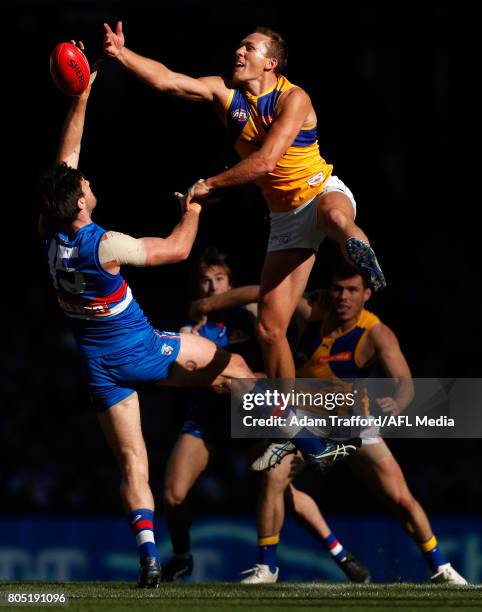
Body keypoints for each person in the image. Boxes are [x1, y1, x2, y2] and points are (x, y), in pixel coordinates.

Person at [38, 54, 261, 589]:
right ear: (83, 205)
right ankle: (309, 440)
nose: (87, 181)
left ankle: (149, 557)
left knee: (134, 465)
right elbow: (178, 252)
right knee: (235, 367)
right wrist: (195, 208)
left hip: (98, 368)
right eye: (85, 185)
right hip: (140, 349)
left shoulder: (49, 232)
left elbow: (66, 159)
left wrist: (81, 96)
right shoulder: (105, 245)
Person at [102, 23, 386, 388]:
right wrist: (122, 54)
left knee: (334, 216)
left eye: (250, 48)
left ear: (271, 63)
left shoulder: (293, 98)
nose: (239, 52)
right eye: (239, 46)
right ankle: (288, 422)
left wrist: (209, 182)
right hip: (284, 217)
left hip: (318, 190)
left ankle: (363, 257)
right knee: (270, 329)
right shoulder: (226, 94)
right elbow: (168, 80)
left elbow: (266, 161)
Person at [242, 265, 467, 585]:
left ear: (366, 294)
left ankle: (441, 568)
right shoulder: (312, 313)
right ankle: (266, 568)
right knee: (273, 475)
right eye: (338, 289)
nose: (343, 297)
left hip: (354, 425)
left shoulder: (375, 332)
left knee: (401, 498)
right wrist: (213, 304)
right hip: (308, 421)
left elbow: (405, 384)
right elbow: (265, 293)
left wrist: (398, 404)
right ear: (329, 289)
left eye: (351, 290)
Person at [167, 258, 369, 584]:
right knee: (173, 495)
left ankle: (338, 554)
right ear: (197, 288)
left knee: (280, 486)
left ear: (229, 285)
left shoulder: (249, 315)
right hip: (207, 421)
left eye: (219, 279)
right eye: (205, 281)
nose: (213, 287)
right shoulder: (191, 327)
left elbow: (264, 294)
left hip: (251, 418)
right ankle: (181, 556)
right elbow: (183, 370)